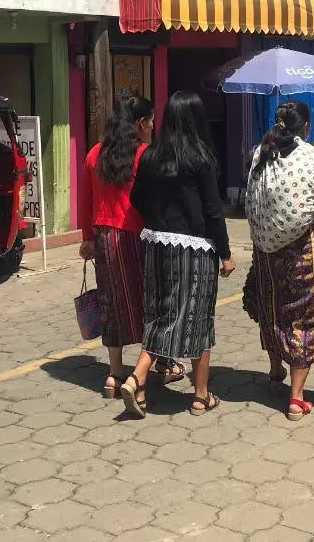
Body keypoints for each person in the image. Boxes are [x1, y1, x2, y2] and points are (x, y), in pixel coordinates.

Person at [119, 91, 235, 418]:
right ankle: (195, 394)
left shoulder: (151, 155)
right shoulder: (201, 157)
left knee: (159, 313)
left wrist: (159, 218)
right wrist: (225, 253)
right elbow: (214, 211)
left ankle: (143, 380)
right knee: (197, 317)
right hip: (194, 249)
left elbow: (137, 198)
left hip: (156, 244)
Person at [242, 100, 314, 421]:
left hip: (266, 250)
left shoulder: (260, 153)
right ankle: (296, 396)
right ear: (305, 127)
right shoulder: (310, 156)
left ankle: (276, 371)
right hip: (303, 249)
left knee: (273, 307)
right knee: (303, 314)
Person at [78, 94, 185, 399]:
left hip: (104, 237)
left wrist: (87, 238)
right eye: (150, 120)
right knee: (152, 301)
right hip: (137, 235)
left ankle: (114, 373)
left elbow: (86, 201)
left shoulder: (94, 154)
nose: (153, 125)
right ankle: (161, 364)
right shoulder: (145, 154)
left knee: (111, 303)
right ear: (140, 123)